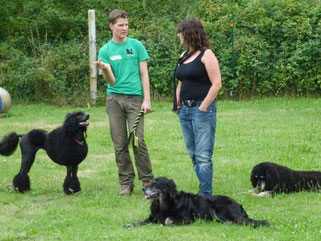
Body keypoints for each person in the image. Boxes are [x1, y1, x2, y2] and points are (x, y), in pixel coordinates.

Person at [94, 9, 154, 196]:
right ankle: (126, 183)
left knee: (138, 140)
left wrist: (147, 99)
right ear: (111, 26)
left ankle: (147, 182)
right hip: (114, 100)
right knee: (120, 144)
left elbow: (144, 74)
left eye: (126, 25)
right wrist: (104, 68)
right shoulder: (105, 50)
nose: (124, 28)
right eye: (121, 25)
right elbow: (111, 80)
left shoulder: (136, 46)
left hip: (135, 100)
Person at [174, 18, 222, 196]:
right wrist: (178, 103)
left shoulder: (206, 54)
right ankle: (204, 191)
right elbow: (181, 82)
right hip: (184, 111)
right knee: (194, 154)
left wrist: (203, 107)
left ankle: (205, 195)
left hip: (201, 110)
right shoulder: (184, 56)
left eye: (181, 32)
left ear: (189, 33)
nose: (179, 35)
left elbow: (217, 83)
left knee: (203, 156)